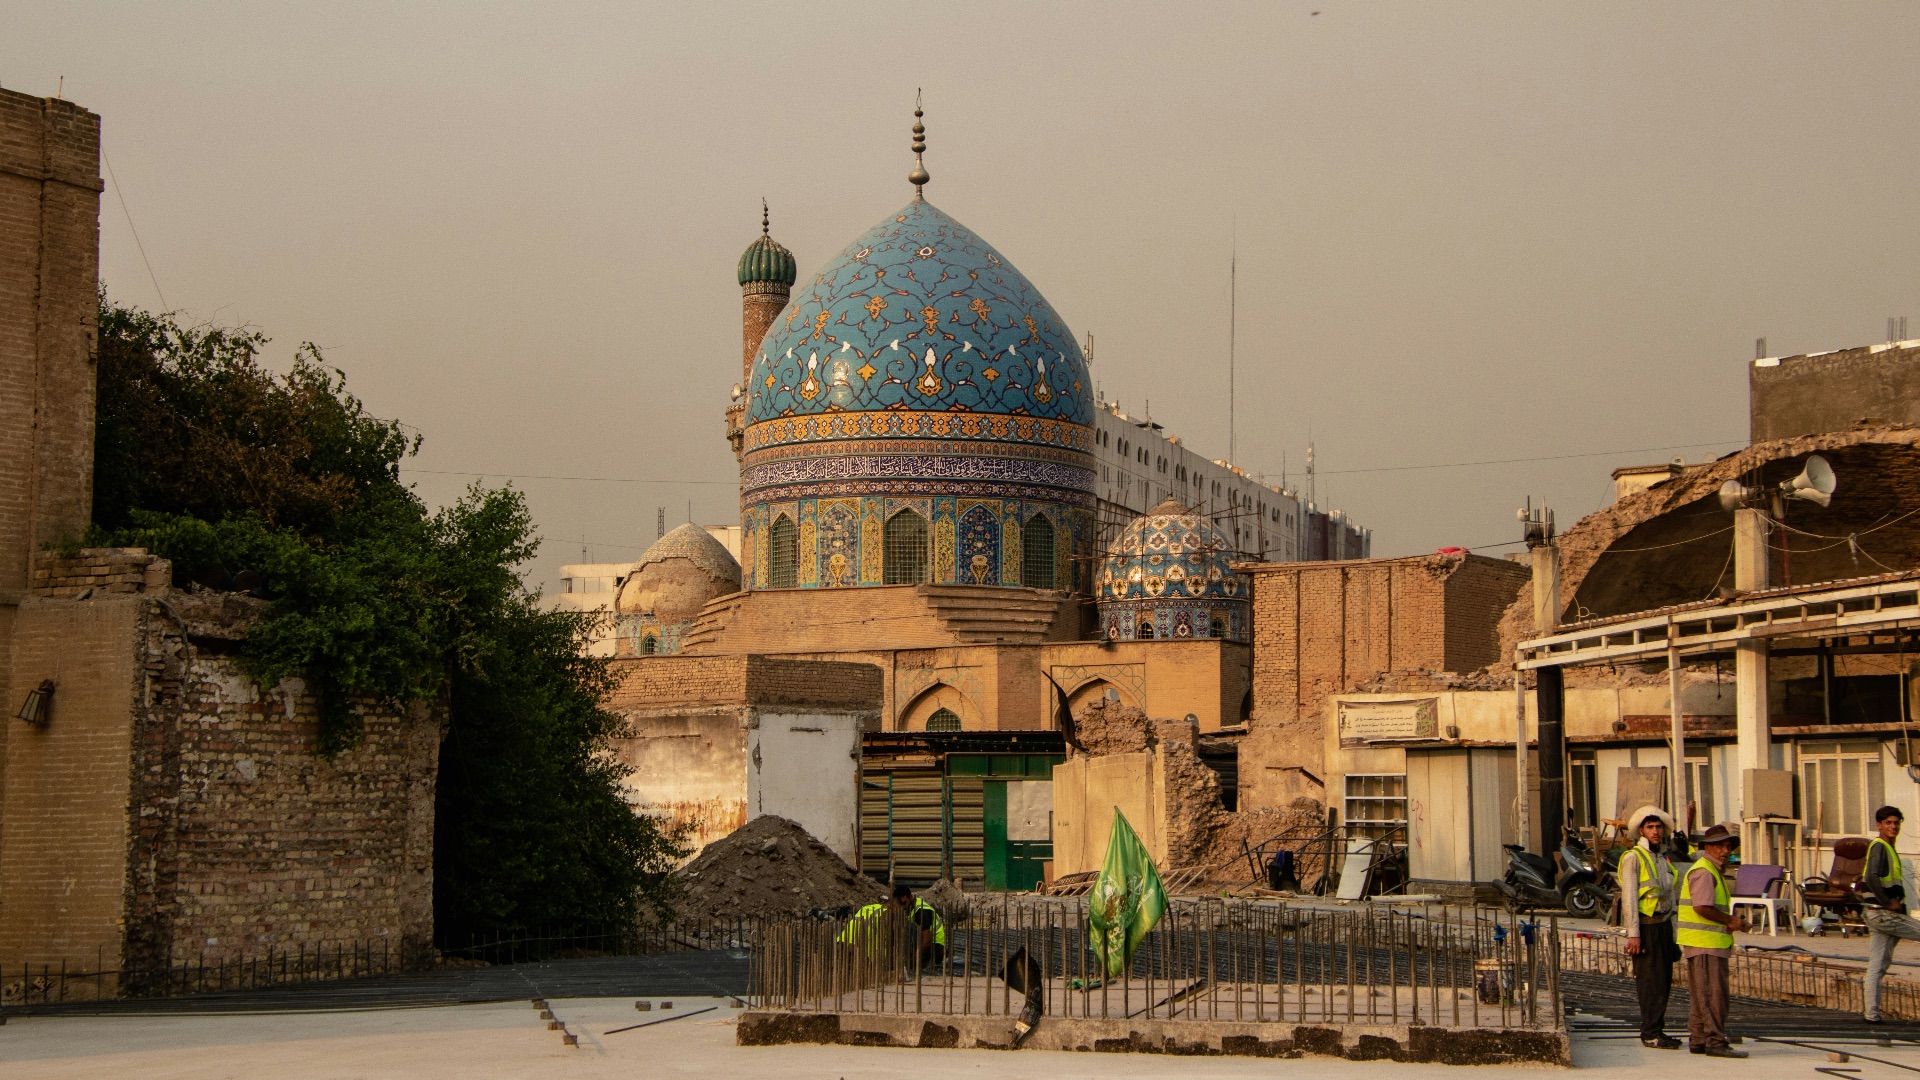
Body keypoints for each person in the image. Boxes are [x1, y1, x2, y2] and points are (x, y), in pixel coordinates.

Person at [1674, 822, 1749, 1057]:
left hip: (1707, 942)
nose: (1725, 850)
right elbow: (1702, 907)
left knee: (1701, 995)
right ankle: (1715, 1041)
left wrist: (1734, 921)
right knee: (1712, 996)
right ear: (1708, 847)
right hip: (1705, 943)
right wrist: (1729, 921)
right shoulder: (1705, 871)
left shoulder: (1711, 870)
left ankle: (1698, 1039)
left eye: (1728, 846)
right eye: (1719, 846)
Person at [1619, 805, 1681, 1049]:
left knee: (1663, 982)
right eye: (1650, 827)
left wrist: (1674, 933)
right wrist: (1634, 934)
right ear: (1641, 831)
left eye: (1658, 827)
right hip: (1647, 928)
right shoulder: (1634, 858)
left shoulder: (1663, 858)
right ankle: (1650, 1033)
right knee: (1650, 983)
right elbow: (1630, 899)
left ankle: (1657, 1029)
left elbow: (1671, 899)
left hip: (1663, 927)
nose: (1655, 831)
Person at [1863, 805, 1920, 1023]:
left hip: (1878, 915)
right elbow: (1870, 877)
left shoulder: (1888, 848)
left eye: (1896, 823)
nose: (1893, 826)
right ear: (1879, 825)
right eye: (1888, 823)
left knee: (1877, 966)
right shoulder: (1879, 846)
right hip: (1883, 914)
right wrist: (1887, 903)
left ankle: (1871, 1015)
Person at [840, 882, 947, 974]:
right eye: (902, 905)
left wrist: (913, 958)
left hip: (935, 946)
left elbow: (926, 939)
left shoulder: (869, 908)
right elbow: (885, 944)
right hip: (858, 949)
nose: (904, 909)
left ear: (910, 897)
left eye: (905, 904)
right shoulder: (888, 916)